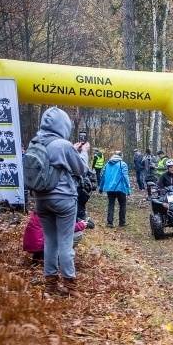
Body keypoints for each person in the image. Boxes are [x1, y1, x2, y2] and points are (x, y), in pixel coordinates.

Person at [33, 107, 89, 297]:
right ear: (63, 125)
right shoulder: (62, 145)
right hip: (63, 199)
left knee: (50, 241)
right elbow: (81, 169)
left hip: (40, 199)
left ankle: (50, 285)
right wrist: (83, 153)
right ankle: (70, 286)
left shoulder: (35, 142)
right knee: (65, 243)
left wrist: (71, 150)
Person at [99, 150, 131, 228]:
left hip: (110, 189)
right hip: (120, 188)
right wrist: (128, 188)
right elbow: (125, 177)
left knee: (111, 204)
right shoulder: (122, 164)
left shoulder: (107, 165)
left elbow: (102, 176)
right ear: (121, 156)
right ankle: (122, 222)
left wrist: (101, 187)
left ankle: (110, 222)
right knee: (122, 204)